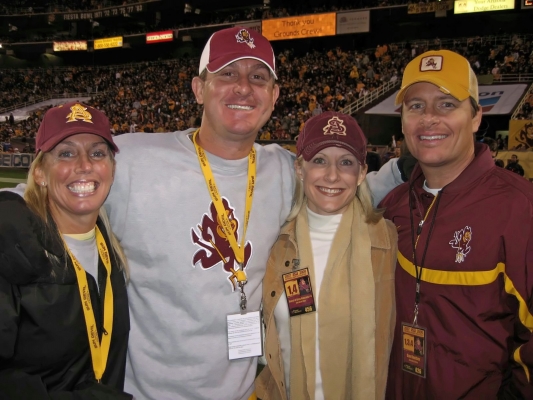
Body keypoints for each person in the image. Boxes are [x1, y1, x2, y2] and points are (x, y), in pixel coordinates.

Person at [0, 28, 403, 400]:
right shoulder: (137, 159)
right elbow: (50, 188)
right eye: (227, 74)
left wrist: (408, 167)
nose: (243, 87)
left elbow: (344, 188)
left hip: (244, 392)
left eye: (258, 77)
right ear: (198, 88)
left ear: (275, 96)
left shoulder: (284, 170)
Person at [380, 49, 533, 399]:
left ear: (477, 116)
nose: (428, 118)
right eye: (415, 106)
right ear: (402, 120)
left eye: (447, 104)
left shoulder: (519, 209)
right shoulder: (392, 207)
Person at [256, 112, 397, 400]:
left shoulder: (390, 242)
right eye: (319, 160)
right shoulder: (276, 243)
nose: (332, 175)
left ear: (360, 173)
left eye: (346, 162)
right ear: (300, 169)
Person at [0, 102, 131, 399]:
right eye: (66, 153)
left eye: (97, 153)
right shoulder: (11, 249)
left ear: (111, 169)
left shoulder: (113, 251)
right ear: (40, 174)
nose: (84, 164)